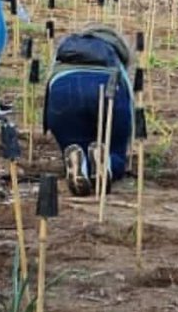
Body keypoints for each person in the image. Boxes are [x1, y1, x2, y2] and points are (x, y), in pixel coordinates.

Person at [43, 25, 134, 197]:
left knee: (74, 145)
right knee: (115, 151)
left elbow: (49, 86)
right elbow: (129, 103)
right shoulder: (114, 55)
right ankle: (105, 162)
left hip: (62, 91)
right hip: (107, 87)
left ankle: (80, 164)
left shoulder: (64, 52)